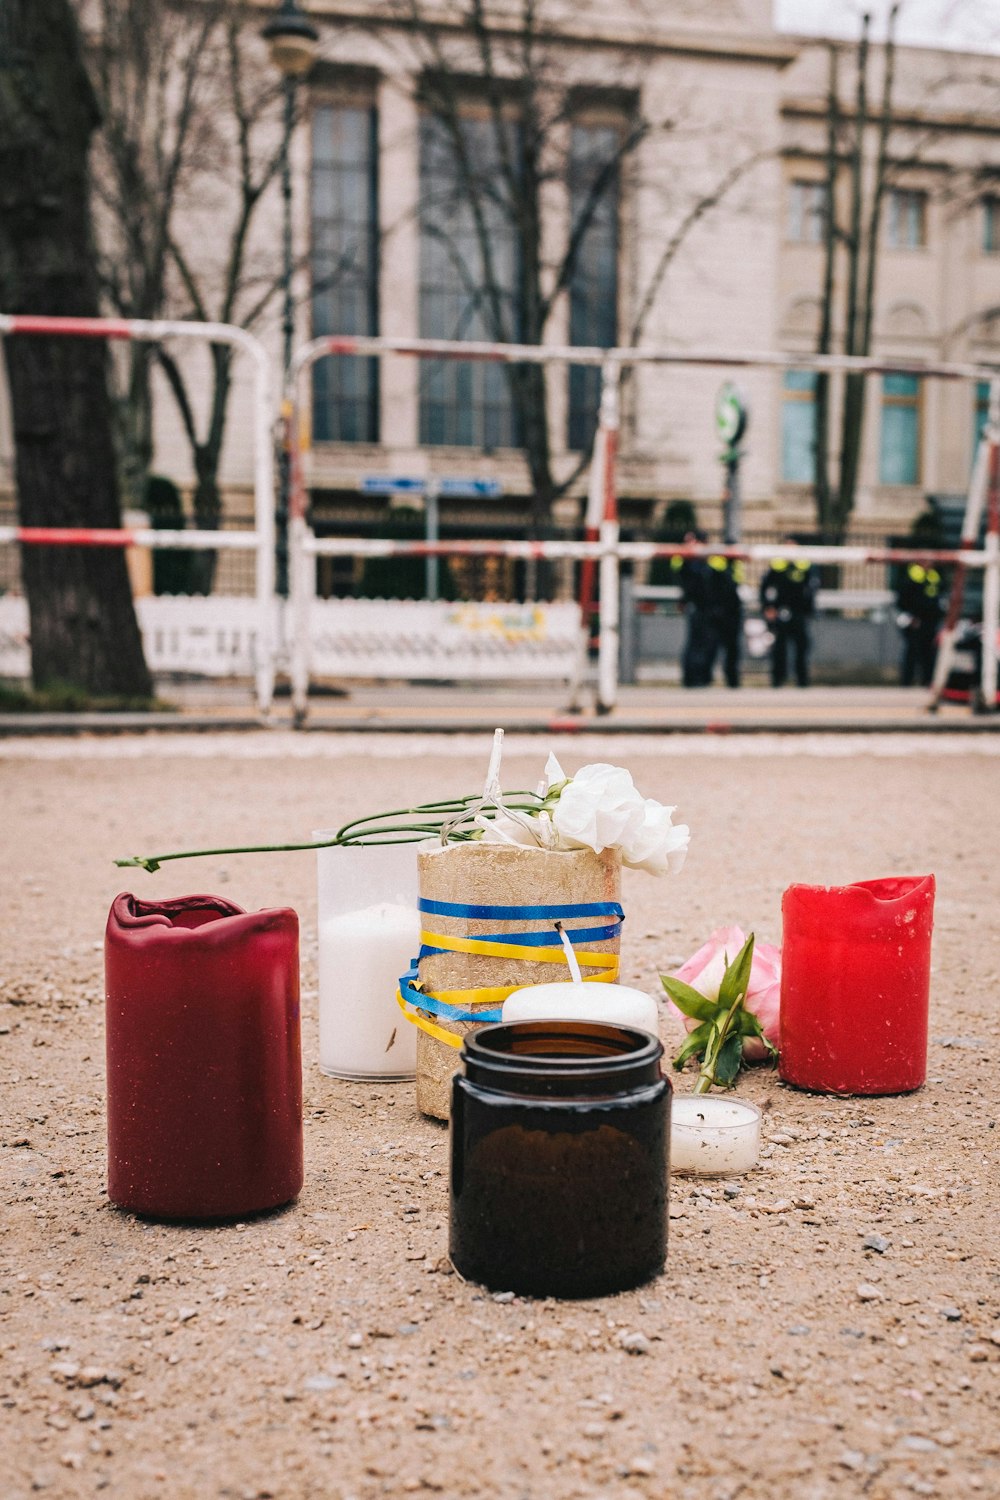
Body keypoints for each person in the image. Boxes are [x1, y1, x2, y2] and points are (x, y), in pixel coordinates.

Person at [671, 531, 743, 687]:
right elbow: (686, 579)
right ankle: (695, 679)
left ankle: (714, 678)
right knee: (699, 645)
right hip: (701, 607)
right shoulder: (687, 559)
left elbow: (725, 582)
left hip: (720, 608)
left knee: (718, 645)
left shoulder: (711, 560)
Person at [759, 542, 819, 688]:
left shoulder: (804, 565)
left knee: (801, 648)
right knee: (779, 648)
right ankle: (778, 680)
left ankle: (802, 680)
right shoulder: (778, 565)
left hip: (799, 612)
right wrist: (768, 607)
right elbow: (765, 586)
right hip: (781, 611)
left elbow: (812, 589)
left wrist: (808, 610)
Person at [895, 562, 944, 686]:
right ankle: (907, 681)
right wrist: (911, 617)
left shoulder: (934, 576)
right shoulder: (911, 576)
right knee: (912, 651)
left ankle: (927, 681)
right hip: (914, 621)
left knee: (928, 653)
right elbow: (902, 600)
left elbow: (936, 599)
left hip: (930, 621)